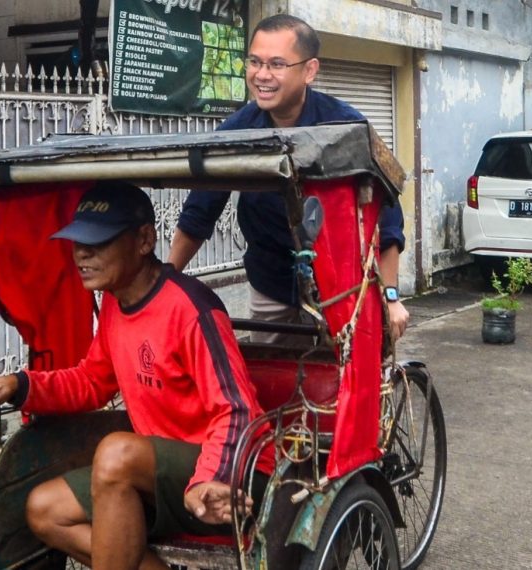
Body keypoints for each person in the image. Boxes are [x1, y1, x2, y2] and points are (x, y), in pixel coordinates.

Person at [0, 181, 272, 570]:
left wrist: (209, 479)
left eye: (99, 243)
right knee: (44, 508)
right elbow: (91, 381)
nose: (81, 255)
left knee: (116, 453)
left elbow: (237, 410)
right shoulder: (115, 300)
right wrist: (20, 385)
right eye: (77, 243)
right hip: (159, 475)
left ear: (143, 240)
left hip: (230, 474)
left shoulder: (190, 308)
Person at [169, 14, 410, 343]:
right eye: (254, 62)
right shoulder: (237, 132)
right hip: (271, 283)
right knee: (272, 382)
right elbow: (199, 212)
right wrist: (166, 283)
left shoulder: (346, 129)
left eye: (277, 64)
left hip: (344, 284)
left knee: (346, 381)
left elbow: (388, 218)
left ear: (309, 70)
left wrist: (391, 297)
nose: (262, 75)